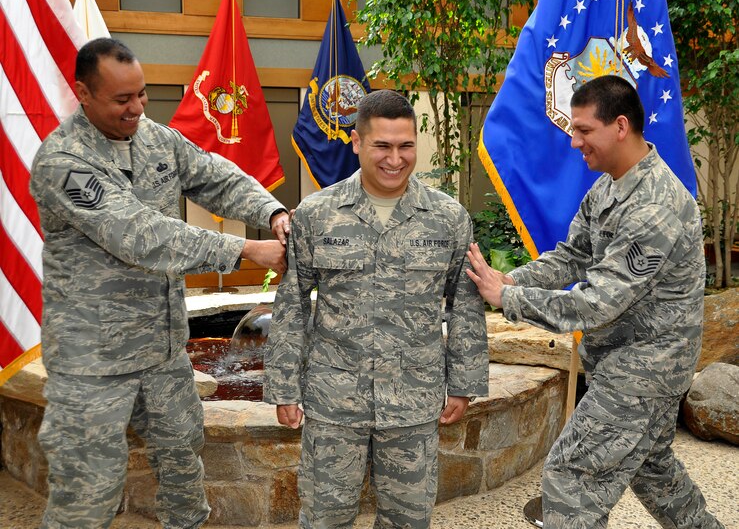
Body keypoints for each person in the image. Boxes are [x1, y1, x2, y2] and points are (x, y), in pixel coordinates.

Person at [29, 37, 291, 529]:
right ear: (83, 93)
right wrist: (245, 249)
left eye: (142, 94)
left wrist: (271, 212)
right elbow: (139, 234)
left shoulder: (156, 139)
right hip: (93, 362)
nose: (137, 108)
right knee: (86, 495)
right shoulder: (63, 162)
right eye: (122, 99)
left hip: (162, 351)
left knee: (182, 471)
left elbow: (219, 178)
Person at [466, 75, 725, 529]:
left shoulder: (655, 205)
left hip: (644, 369)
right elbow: (571, 257)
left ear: (620, 126)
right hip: (627, 362)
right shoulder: (610, 186)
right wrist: (508, 279)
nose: (573, 141)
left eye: (584, 130)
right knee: (653, 468)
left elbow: (595, 304)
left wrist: (508, 298)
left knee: (571, 478)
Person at [263, 89, 489, 528]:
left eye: (406, 145)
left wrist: (464, 383)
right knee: (326, 518)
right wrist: (283, 386)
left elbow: (463, 306)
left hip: (414, 401)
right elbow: (291, 305)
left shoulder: (448, 217)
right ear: (356, 142)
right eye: (382, 145)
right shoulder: (316, 214)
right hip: (334, 402)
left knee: (408, 519)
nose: (395, 158)